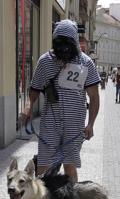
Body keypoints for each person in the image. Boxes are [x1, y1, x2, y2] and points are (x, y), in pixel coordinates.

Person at [20, 19, 100, 183]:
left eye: (68, 44)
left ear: (75, 42)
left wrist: (91, 123)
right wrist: (28, 107)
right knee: (43, 166)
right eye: (60, 44)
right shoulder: (45, 61)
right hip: (50, 122)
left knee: (69, 166)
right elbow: (35, 88)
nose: (64, 48)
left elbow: (94, 96)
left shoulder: (86, 63)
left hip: (74, 124)